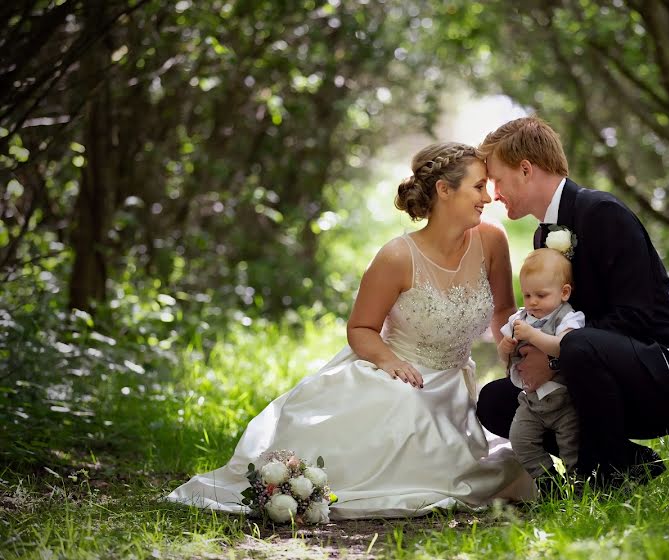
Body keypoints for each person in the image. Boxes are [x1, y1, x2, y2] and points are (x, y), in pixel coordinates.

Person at [166, 142, 535, 519]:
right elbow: (360, 327)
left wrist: (513, 344)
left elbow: (503, 310)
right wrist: (391, 363)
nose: (487, 197)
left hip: (455, 385)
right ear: (444, 189)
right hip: (400, 375)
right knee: (409, 412)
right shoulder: (397, 257)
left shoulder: (491, 241)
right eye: (478, 187)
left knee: (499, 459)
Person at [476, 116, 669, 489]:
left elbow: (636, 316)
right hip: (592, 369)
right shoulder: (544, 235)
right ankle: (630, 463)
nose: (494, 193)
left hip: (667, 371)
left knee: (577, 345)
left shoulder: (603, 213)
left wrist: (555, 354)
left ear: (526, 169)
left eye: (496, 179)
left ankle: (597, 476)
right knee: (495, 401)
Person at [498, 248, 585, 486]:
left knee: (572, 447)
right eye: (527, 295)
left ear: (564, 292)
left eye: (541, 295)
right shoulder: (520, 319)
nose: (532, 302)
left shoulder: (569, 318)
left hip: (565, 401)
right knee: (521, 439)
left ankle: (577, 486)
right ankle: (548, 482)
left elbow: (563, 348)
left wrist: (532, 335)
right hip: (532, 401)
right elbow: (503, 357)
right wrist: (505, 347)